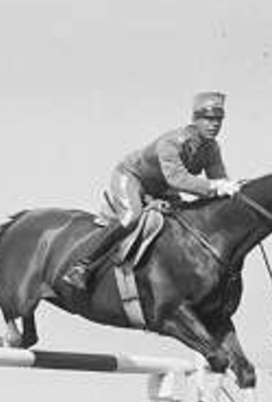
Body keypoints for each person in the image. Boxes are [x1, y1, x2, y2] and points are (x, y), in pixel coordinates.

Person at [62, 91, 245, 292]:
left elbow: (218, 179)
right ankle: (82, 266)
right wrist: (215, 187)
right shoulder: (172, 142)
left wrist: (234, 190)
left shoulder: (212, 148)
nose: (214, 124)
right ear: (195, 120)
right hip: (132, 177)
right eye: (208, 119)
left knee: (183, 220)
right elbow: (178, 179)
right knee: (132, 217)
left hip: (162, 187)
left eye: (218, 119)